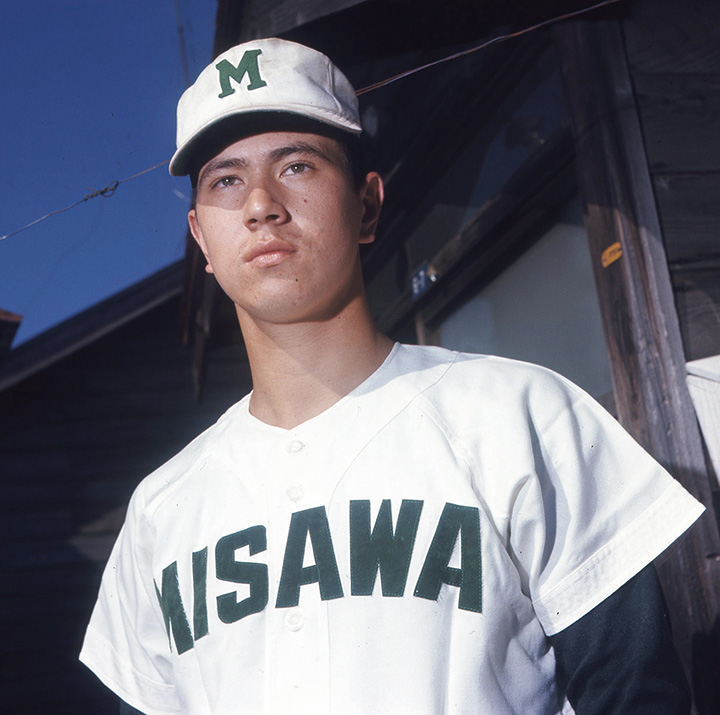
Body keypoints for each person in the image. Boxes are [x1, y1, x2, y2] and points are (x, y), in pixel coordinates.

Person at [80, 38, 704, 715]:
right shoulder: (160, 509)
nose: (261, 203)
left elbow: (636, 693)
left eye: (297, 165)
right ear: (201, 237)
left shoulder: (519, 412)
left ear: (368, 205)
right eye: (226, 179)